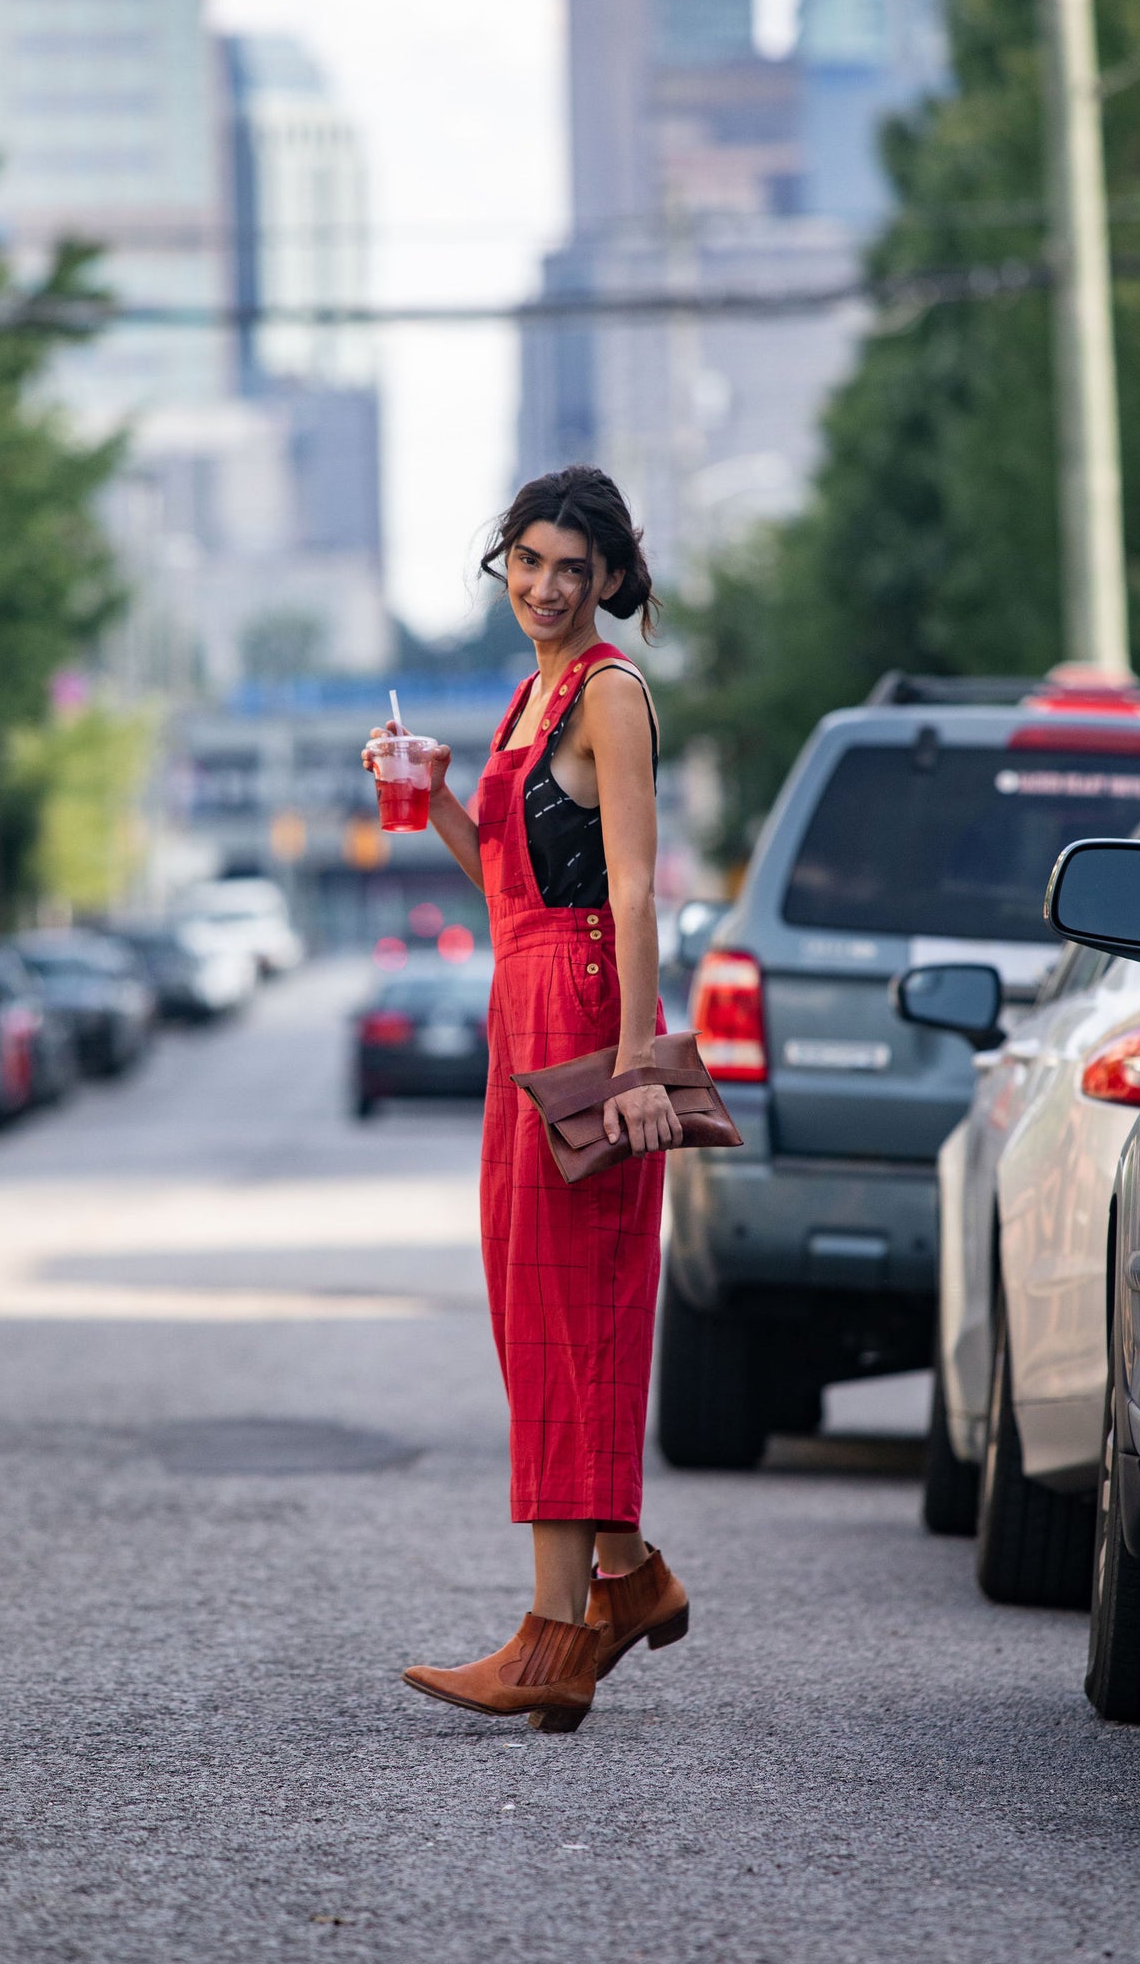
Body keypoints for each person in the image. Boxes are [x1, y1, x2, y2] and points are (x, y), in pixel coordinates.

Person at [367, 466, 689, 1734]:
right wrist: (434, 791)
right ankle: (627, 1575)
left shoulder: (606, 691)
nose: (546, 586)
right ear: (502, 562)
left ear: (609, 576)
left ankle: (559, 1635)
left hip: (584, 1012)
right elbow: (508, 878)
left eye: (572, 566)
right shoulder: (528, 693)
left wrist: (632, 1068)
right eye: (528, 560)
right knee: (530, 1305)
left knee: (569, 1312)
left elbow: (631, 892)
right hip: (522, 1001)